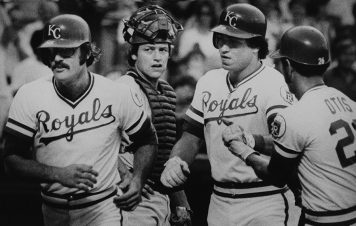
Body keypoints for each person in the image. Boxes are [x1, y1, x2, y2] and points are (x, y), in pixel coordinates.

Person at [3, 14, 157, 226]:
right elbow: (11, 159)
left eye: (66, 51)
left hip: (102, 208)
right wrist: (57, 174)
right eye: (52, 51)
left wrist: (138, 178)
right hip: (52, 210)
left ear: (85, 52)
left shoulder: (115, 93)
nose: (57, 58)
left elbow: (147, 139)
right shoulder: (29, 95)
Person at [160, 3, 298, 226]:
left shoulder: (273, 82)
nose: (223, 48)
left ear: (255, 46)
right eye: (220, 40)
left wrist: (251, 141)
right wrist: (176, 160)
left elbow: (290, 142)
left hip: (264, 198)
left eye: (233, 42)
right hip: (219, 200)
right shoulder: (208, 82)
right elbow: (191, 137)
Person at [223, 26, 356, 225]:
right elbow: (303, 142)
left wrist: (242, 151)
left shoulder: (293, 116)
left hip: (326, 220)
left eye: (279, 63)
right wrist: (250, 139)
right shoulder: (348, 102)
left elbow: (276, 175)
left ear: (288, 66)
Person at [117, 4, 192, 226]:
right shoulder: (123, 88)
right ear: (133, 53)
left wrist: (180, 200)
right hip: (131, 198)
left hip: (160, 197)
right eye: (148, 49)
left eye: (163, 49)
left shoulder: (166, 91)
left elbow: (166, 152)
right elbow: (96, 141)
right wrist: (128, 176)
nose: (157, 57)